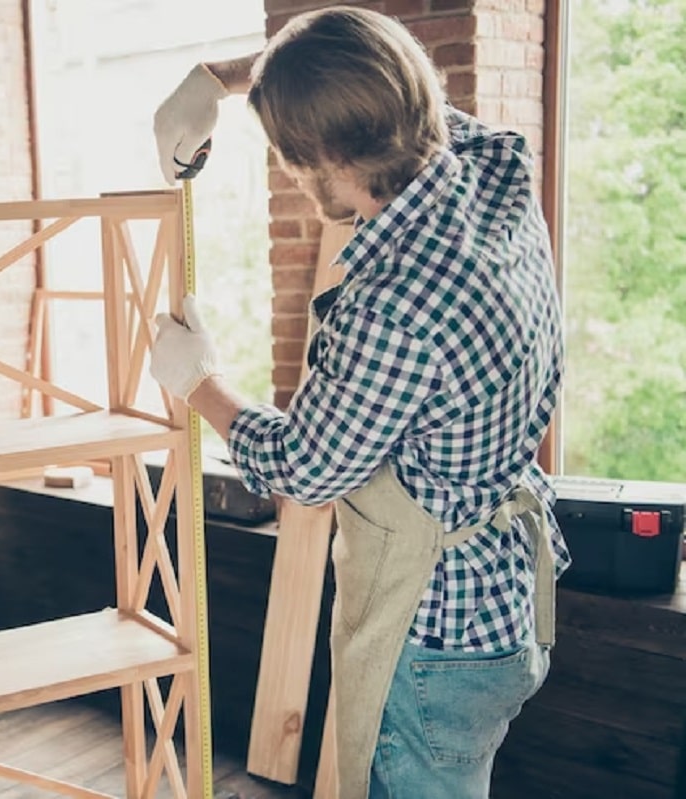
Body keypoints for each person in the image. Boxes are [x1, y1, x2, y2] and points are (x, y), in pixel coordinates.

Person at [147, 7, 569, 799]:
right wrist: (225, 81)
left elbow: (307, 466)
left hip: (434, 637)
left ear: (326, 159)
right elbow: (378, 80)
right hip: (501, 604)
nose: (288, 170)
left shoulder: (396, 301)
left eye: (290, 155)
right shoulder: (488, 160)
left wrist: (198, 380)